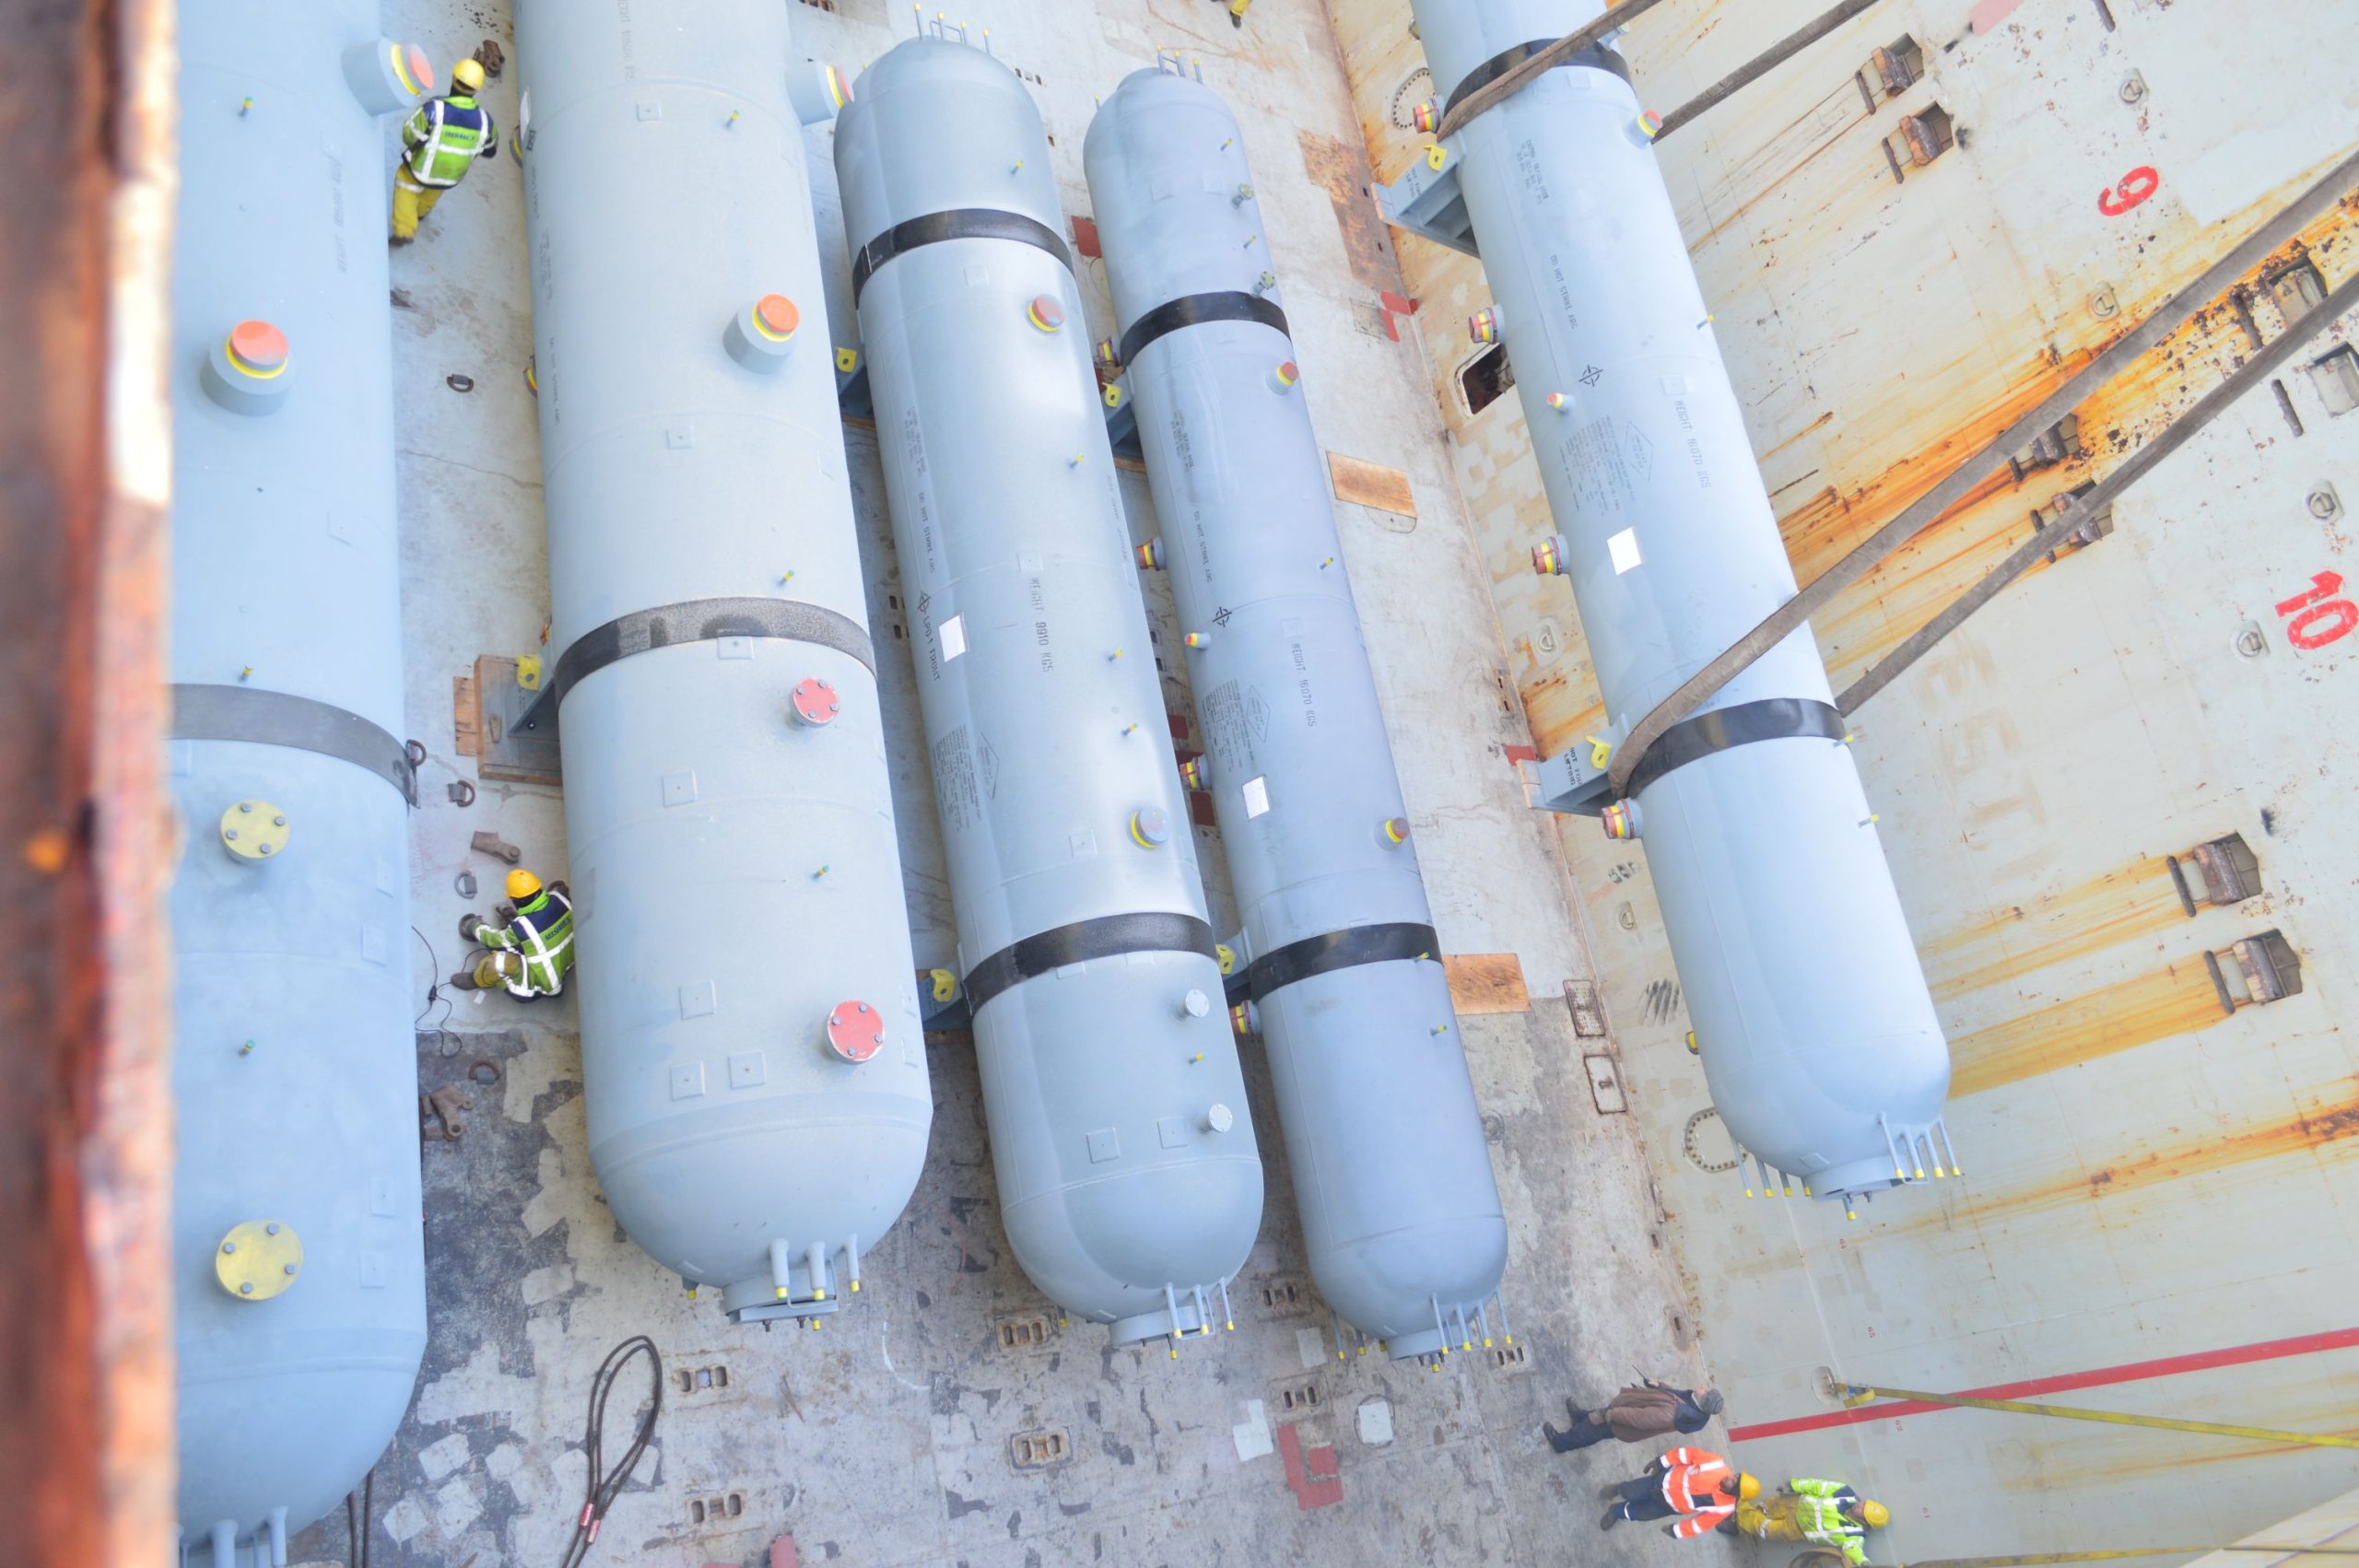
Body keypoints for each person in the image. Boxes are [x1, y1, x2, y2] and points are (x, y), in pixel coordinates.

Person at [392, 56, 497, 243]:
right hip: (450, 176)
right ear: (477, 89)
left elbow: (410, 134)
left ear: (453, 79)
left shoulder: (435, 109)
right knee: (433, 191)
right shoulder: (485, 121)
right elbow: (490, 150)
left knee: (406, 184)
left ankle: (404, 229)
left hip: (422, 168)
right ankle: (421, 212)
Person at [454, 869, 573, 999]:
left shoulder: (522, 928)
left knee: (499, 961)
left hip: (547, 985)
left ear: (517, 901)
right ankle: (512, 932)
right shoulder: (559, 897)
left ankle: (477, 979)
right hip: (567, 960)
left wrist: (474, 926)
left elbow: (494, 940)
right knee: (525, 939)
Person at [1601, 1447, 1759, 1538]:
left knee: (1639, 1514)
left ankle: (1616, 1512)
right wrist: (1661, 1462)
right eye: (1735, 1475)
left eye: (1734, 1481)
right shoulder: (1717, 1464)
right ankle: (1618, 1489)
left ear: (1735, 1492)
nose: (1730, 1476)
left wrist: (1677, 1531)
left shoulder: (1725, 1508)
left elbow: (1700, 1524)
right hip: (1660, 1482)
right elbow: (1688, 1455)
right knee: (1632, 1492)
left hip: (1666, 1507)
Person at [1544, 1377, 1724, 1452]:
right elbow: (1675, 1395)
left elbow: (1637, 1418)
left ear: (1703, 1401)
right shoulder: (1692, 1402)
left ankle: (1561, 1443)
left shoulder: (1671, 1414)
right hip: (1630, 1408)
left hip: (1621, 1422)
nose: (1704, 1387)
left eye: (1706, 1392)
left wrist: (1612, 1414)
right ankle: (1580, 1416)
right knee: (1595, 1416)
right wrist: (1659, 1386)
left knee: (1590, 1432)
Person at [1735, 1479, 1889, 1566]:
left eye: (1863, 1509)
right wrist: (1793, 1485)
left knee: (1765, 1528)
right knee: (1764, 1508)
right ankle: (1740, 1520)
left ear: (1865, 1521)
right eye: (1864, 1503)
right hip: (1794, 1503)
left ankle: (1737, 1520)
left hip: (1797, 1529)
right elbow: (1818, 1485)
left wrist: (1863, 1562)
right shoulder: (1845, 1492)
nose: (1860, 1504)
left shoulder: (1855, 1536)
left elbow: (1853, 1550)